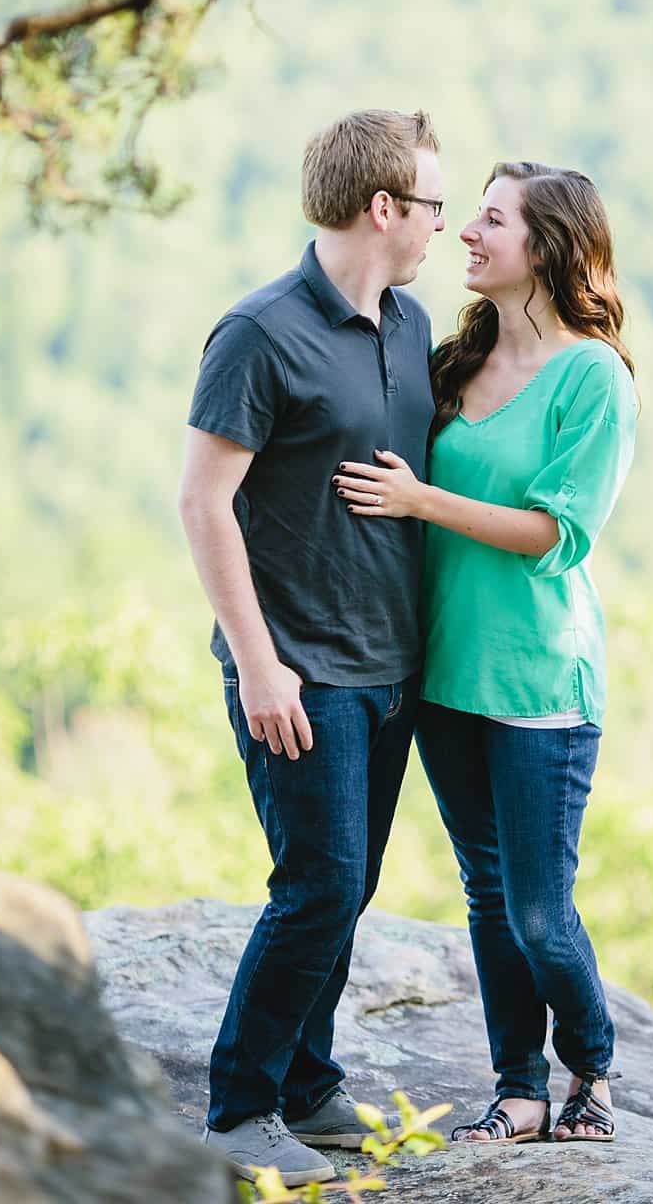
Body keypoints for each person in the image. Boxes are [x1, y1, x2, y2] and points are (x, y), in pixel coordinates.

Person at [333, 161, 637, 1147]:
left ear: (544, 247)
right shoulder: (453, 361)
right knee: (488, 897)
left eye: (491, 219)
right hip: (444, 675)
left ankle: (591, 1062)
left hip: (539, 677)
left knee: (541, 912)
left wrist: (422, 502)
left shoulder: (591, 376)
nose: (465, 231)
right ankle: (518, 1089)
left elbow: (556, 532)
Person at [179, 109, 447, 1184]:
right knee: (320, 885)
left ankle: (309, 1078)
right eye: (432, 204)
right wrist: (256, 661)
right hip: (298, 669)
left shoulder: (413, 323)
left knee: (354, 880)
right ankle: (241, 1101)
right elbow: (203, 503)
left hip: (392, 667)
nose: (441, 225)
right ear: (382, 207)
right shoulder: (259, 331)